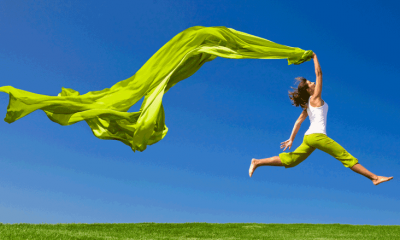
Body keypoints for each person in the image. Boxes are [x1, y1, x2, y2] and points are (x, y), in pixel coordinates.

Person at [249, 53, 393, 186]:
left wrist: (291, 139)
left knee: (292, 160)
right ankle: (374, 178)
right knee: (344, 156)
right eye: (311, 83)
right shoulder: (315, 98)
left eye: (312, 82)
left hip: (309, 138)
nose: (313, 83)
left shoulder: (308, 105)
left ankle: (257, 161)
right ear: (308, 90)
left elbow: (299, 122)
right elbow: (319, 73)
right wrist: (314, 56)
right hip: (317, 136)